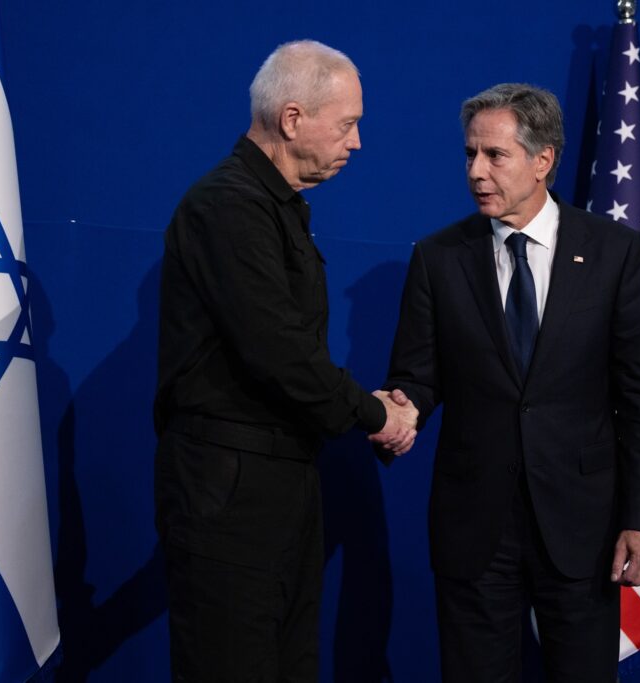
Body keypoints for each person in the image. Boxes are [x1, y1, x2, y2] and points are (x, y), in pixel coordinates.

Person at [383, 83, 640, 682]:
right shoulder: (438, 258)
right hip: (475, 524)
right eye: (469, 155)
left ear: (543, 161)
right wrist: (404, 409)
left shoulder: (613, 252)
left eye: (494, 155)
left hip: (581, 527)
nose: (476, 172)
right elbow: (417, 373)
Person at [153, 40, 417, 682]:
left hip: (282, 483)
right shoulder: (228, 207)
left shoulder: (274, 209)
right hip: (230, 493)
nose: (356, 142)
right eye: (348, 122)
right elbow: (279, 351)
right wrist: (374, 414)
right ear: (293, 119)